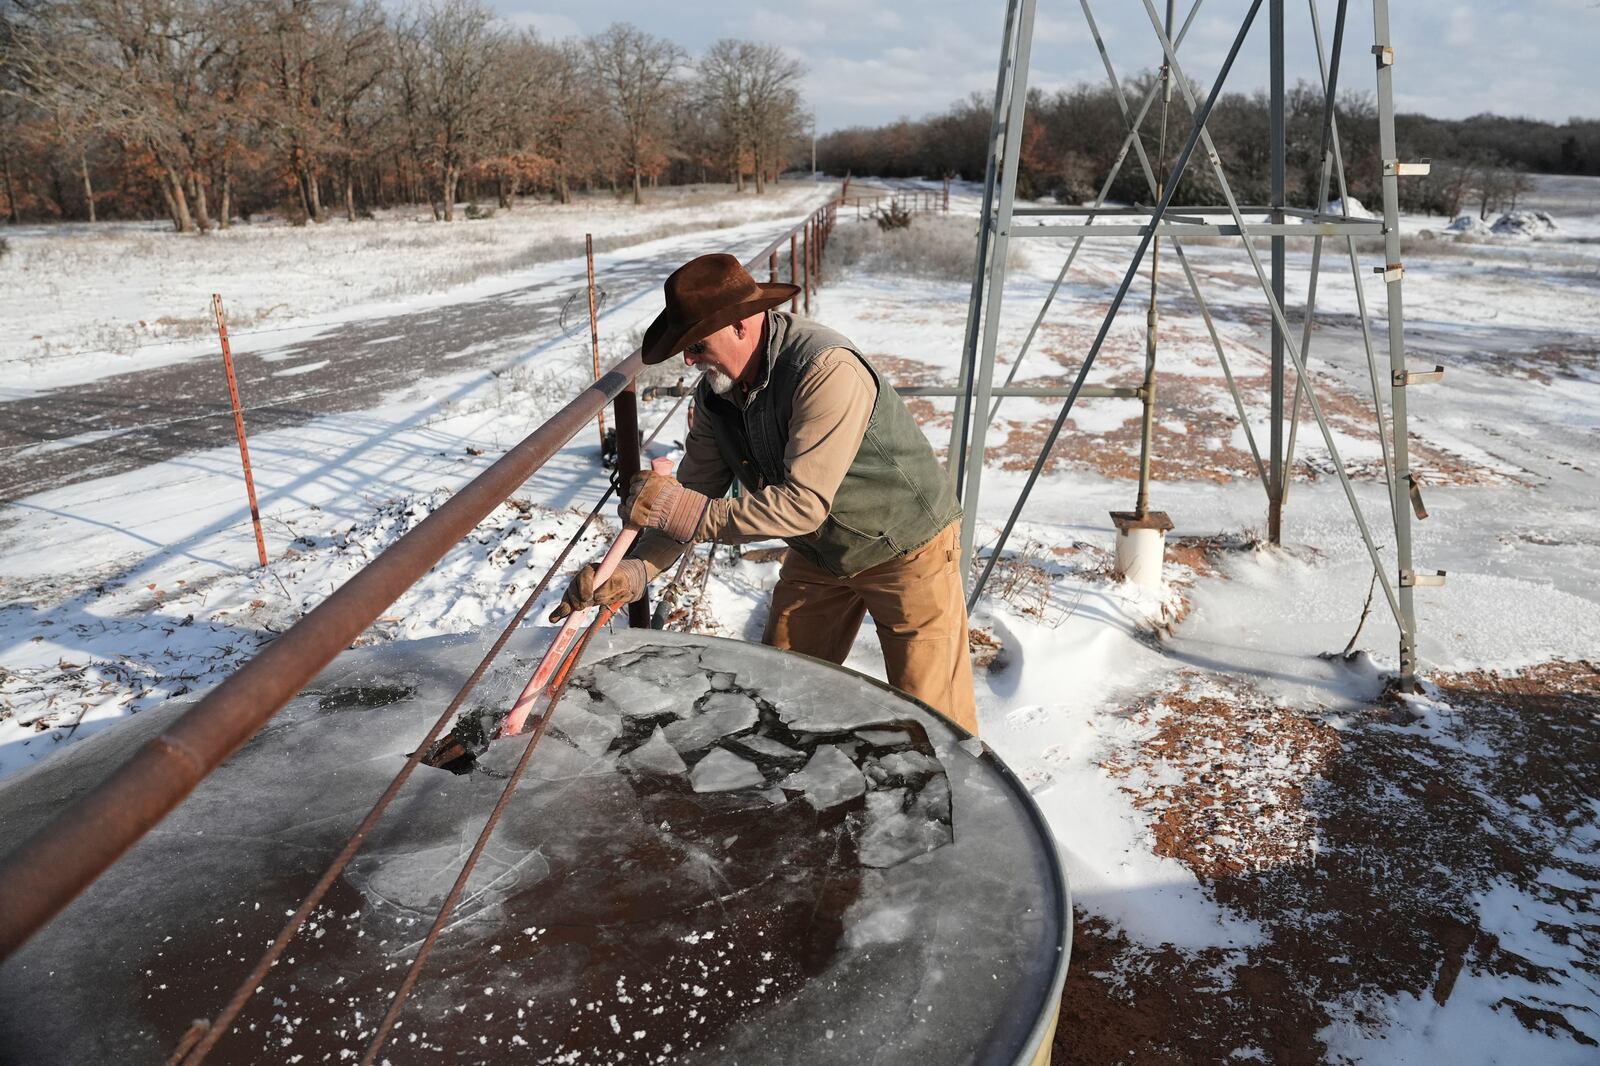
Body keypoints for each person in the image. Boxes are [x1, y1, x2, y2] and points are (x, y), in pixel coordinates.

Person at [554, 253, 978, 733]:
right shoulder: (716, 396)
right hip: (819, 552)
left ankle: (956, 803)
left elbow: (800, 506)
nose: (689, 361)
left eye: (696, 345)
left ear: (740, 325)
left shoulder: (826, 369)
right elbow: (694, 494)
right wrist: (636, 569)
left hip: (904, 547)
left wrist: (679, 508)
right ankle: (806, 788)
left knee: (931, 714)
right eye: (684, 350)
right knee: (781, 689)